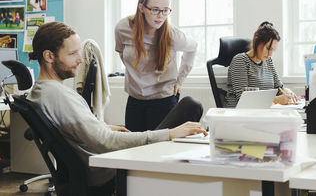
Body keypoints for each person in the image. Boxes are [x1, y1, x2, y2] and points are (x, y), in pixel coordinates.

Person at [27, 22, 206, 195]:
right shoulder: (59, 96)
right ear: (49, 56)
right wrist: (170, 134)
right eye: (73, 53)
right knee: (191, 106)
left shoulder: (40, 92)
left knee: (186, 110)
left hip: (96, 166)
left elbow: (75, 129)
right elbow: (105, 141)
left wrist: (103, 126)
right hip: (109, 170)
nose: (80, 59)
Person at [115, 0, 197, 132]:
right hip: (135, 99)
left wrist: (180, 79)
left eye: (165, 10)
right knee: (133, 147)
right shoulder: (123, 28)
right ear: (142, 8)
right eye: (155, 10)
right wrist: (136, 72)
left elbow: (193, 47)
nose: (161, 16)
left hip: (163, 99)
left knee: (157, 148)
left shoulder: (173, 35)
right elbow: (121, 52)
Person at [225, 21, 298, 108]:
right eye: (268, 48)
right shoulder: (240, 60)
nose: (270, 54)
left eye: (273, 50)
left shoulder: (268, 61)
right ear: (256, 41)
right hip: (242, 115)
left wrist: (287, 92)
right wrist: (276, 100)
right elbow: (243, 99)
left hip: (261, 113)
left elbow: (279, 87)